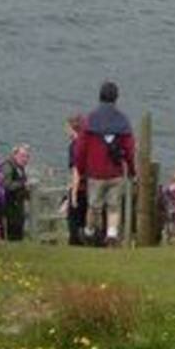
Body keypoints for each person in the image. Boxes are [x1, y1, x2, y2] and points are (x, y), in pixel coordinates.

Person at [73, 81, 136, 247]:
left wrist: (80, 169)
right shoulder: (123, 120)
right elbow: (130, 149)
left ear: (100, 96)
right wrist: (131, 169)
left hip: (95, 173)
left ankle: (89, 231)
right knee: (114, 206)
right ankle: (112, 234)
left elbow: (80, 149)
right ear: (116, 98)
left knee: (94, 206)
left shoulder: (89, 120)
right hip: (115, 172)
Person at [64, 114, 90, 245]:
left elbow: (76, 170)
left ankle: (75, 242)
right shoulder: (88, 144)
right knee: (85, 219)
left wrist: (73, 193)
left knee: (74, 220)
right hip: (90, 186)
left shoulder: (75, 146)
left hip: (79, 187)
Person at [0, 144, 32, 241]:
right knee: (11, 234)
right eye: (22, 156)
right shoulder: (8, 166)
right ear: (15, 155)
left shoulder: (20, 168)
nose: (25, 159)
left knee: (18, 233)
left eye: (27, 157)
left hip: (17, 206)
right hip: (9, 207)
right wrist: (22, 184)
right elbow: (6, 185)